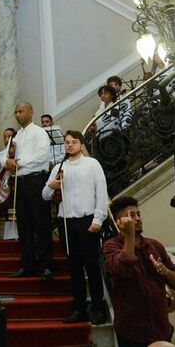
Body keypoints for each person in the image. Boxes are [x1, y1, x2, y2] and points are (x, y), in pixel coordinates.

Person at [42, 130, 109, 324]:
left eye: (74, 142)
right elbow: (45, 195)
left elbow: (101, 192)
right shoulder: (59, 167)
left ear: (81, 144)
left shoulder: (92, 164)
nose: (70, 145)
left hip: (88, 221)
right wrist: (52, 185)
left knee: (92, 266)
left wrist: (98, 219)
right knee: (74, 267)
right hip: (66, 222)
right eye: (67, 142)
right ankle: (79, 308)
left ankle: (98, 307)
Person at [104, 196, 175, 347]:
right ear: (118, 222)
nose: (138, 219)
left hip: (161, 328)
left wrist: (166, 271)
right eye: (131, 216)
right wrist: (129, 235)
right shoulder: (111, 246)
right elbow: (124, 267)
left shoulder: (155, 246)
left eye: (138, 214)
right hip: (132, 332)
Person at [5, 101, 54, 281]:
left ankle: (47, 265)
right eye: (16, 112)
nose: (18, 114)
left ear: (31, 112)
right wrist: (8, 163)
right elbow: (7, 157)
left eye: (21, 111)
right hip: (19, 182)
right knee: (24, 225)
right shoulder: (15, 136)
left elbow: (42, 156)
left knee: (41, 223)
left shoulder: (40, 133)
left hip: (36, 180)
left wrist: (19, 162)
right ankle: (27, 265)